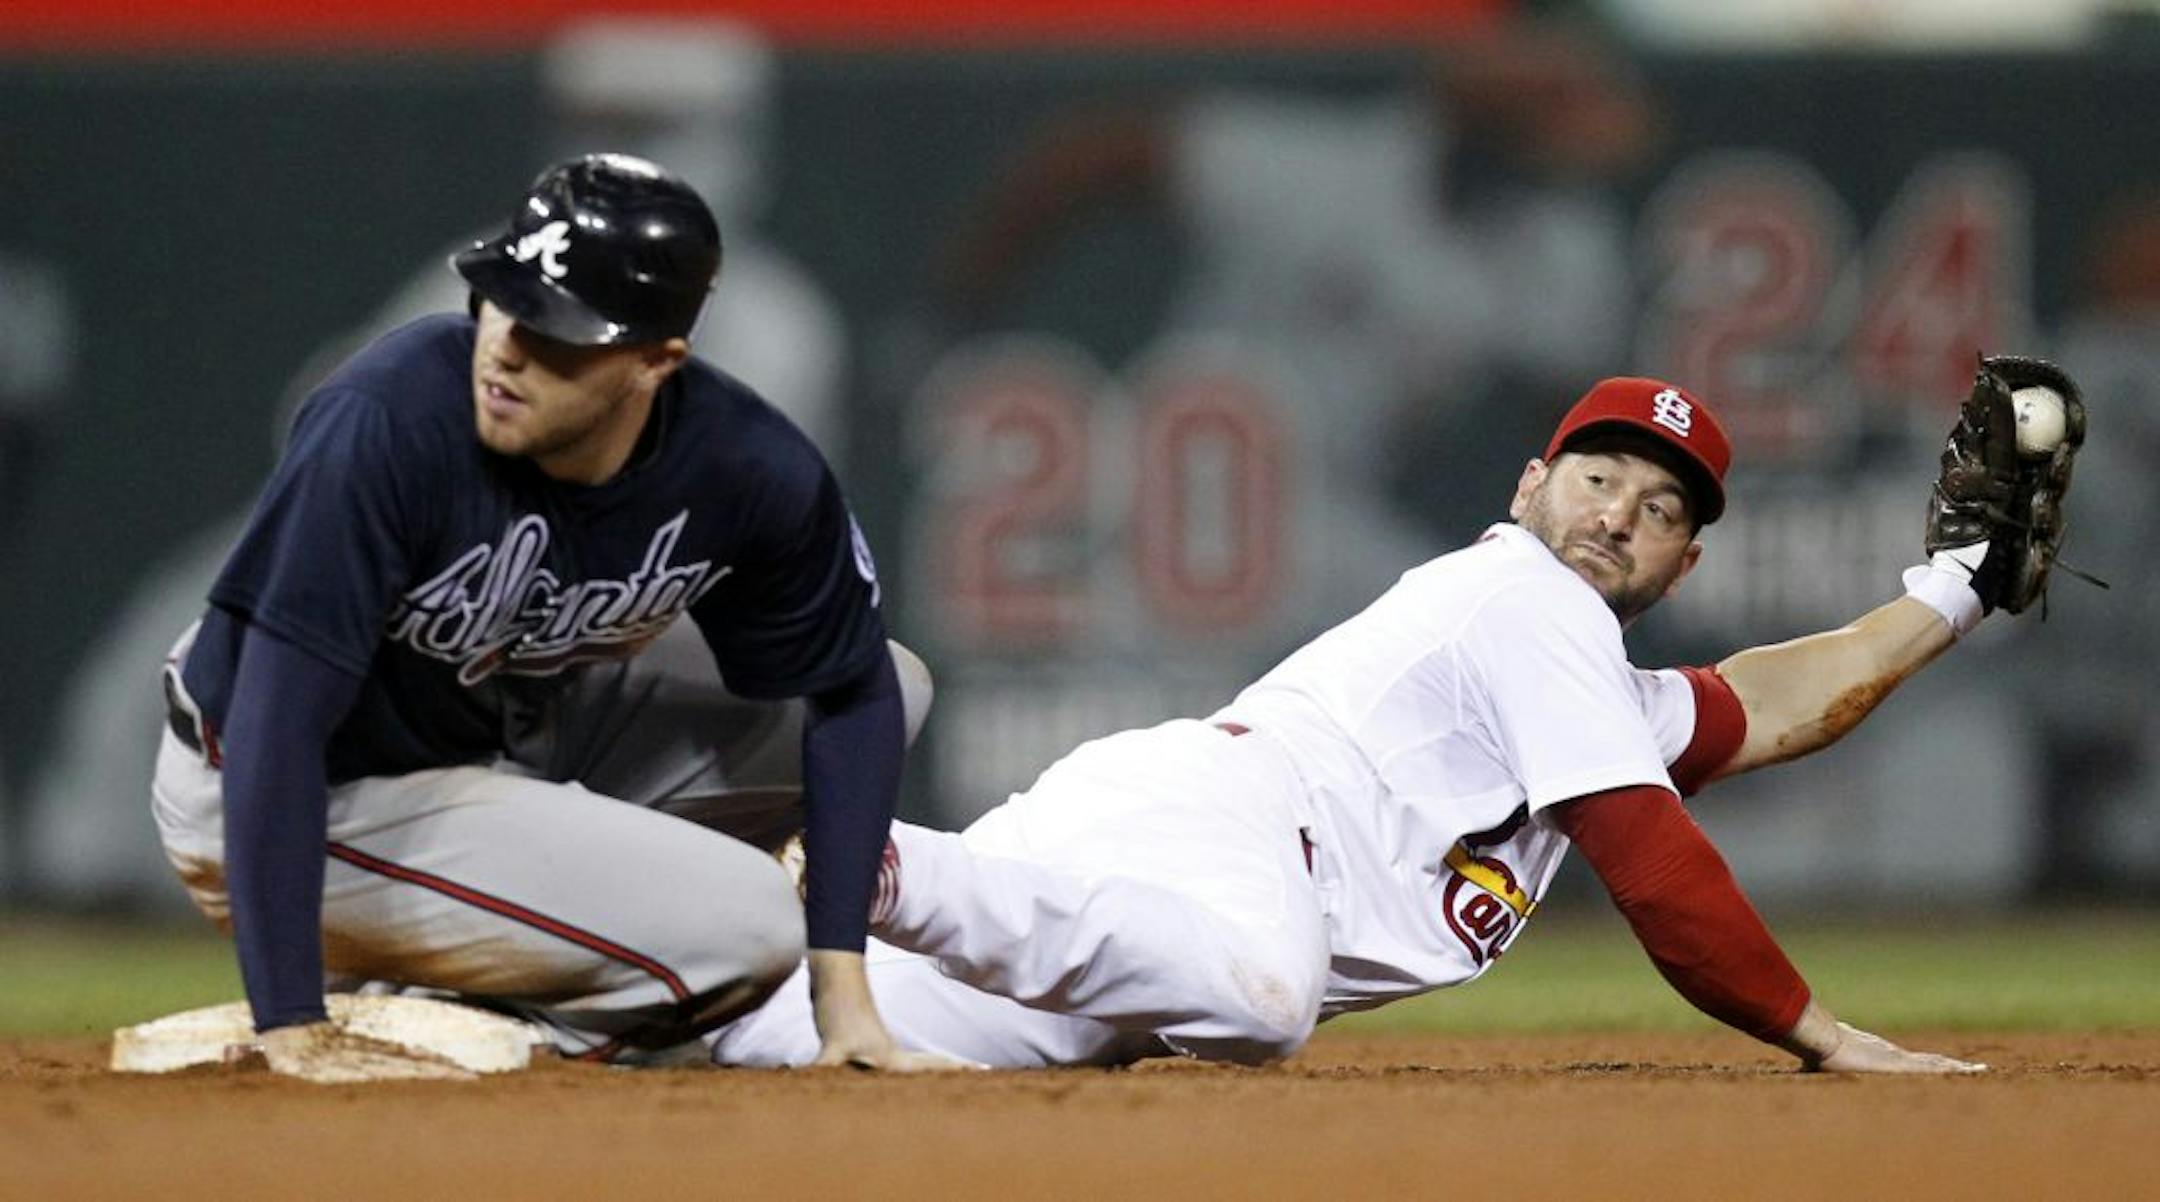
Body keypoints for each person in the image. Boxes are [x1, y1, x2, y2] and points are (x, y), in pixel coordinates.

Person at [713, 373, 2030, 1072]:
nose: (1618, 512)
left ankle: (564, 1010)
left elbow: (1782, 703)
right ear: (1532, 484)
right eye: (1598, 473)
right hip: (1224, 833)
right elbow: (1653, 861)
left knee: (779, 1038)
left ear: (1681, 567)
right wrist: (1818, 1030)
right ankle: (868, 851)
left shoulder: (1583, 682)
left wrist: (1957, 591)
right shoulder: (1529, 600)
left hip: (1147, 875)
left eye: (1661, 507)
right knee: (1265, 1002)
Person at [150, 153, 954, 1080]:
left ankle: (457, 987)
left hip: (484, 737)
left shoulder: (746, 467)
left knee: (896, 680)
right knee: (748, 929)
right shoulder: (385, 421)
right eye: (504, 300)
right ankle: (459, 1024)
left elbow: (852, 700)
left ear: (657, 360)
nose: (508, 349)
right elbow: (275, 724)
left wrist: (842, 1002)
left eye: (561, 333)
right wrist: (288, 1023)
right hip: (280, 780)